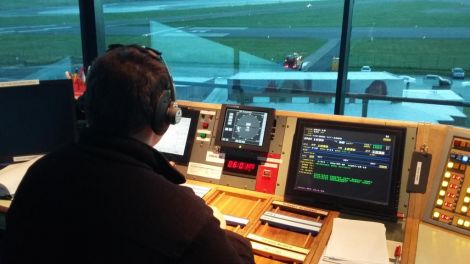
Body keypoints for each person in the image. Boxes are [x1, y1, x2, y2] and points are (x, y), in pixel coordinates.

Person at [6, 44, 255, 263]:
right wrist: (218, 230)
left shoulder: (40, 175)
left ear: (86, 107)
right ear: (164, 114)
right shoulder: (183, 216)